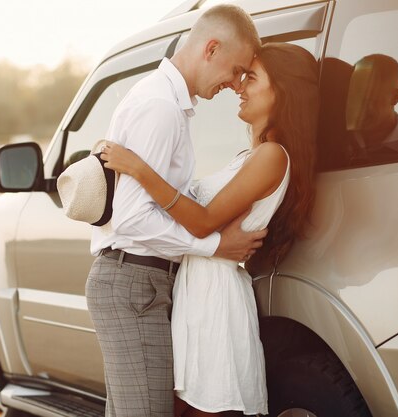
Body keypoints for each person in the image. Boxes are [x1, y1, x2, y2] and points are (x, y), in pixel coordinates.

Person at [100, 42, 320, 416]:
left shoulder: (273, 156)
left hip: (215, 299)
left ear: (281, 90)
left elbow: (202, 222)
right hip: (198, 291)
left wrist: (139, 168)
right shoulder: (251, 157)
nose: (239, 86)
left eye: (250, 77)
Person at [85, 5, 265, 417]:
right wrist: (214, 246)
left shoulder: (163, 100)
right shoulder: (160, 107)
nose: (234, 83)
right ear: (211, 48)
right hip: (134, 283)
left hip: (138, 282)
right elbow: (133, 218)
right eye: (236, 70)